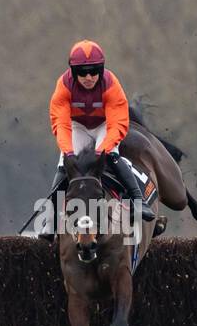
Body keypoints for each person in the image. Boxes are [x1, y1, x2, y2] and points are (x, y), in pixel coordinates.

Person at [46, 40, 153, 226]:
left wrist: (101, 151)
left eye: (94, 71)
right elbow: (61, 124)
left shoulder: (111, 84)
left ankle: (138, 201)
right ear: (73, 72)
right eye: (82, 72)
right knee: (65, 162)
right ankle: (51, 217)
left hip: (105, 125)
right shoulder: (63, 86)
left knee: (111, 155)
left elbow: (117, 123)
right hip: (77, 126)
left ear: (101, 70)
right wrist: (69, 153)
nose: (89, 77)